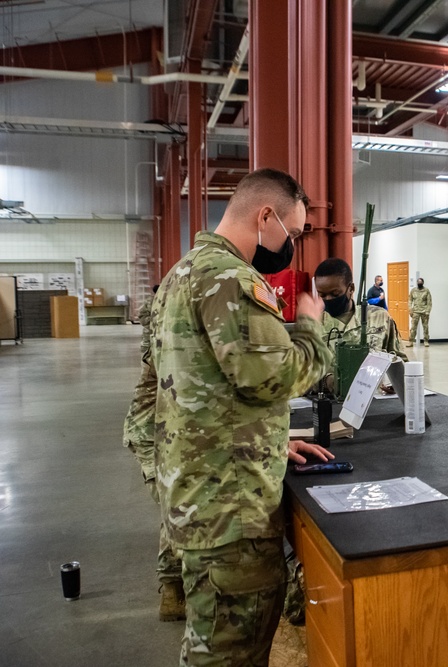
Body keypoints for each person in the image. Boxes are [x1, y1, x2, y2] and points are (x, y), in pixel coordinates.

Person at [149, 168, 334, 666]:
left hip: (202, 492)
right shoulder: (232, 279)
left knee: (213, 642)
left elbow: (202, 388)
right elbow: (274, 378)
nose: (291, 244)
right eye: (292, 234)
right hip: (231, 513)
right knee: (230, 652)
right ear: (266, 216)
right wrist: (313, 329)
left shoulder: (182, 274)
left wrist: (271, 441)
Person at [122, 284, 185, 622]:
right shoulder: (167, 342)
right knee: (173, 505)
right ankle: (172, 589)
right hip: (151, 433)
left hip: (169, 428)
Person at [314, 257, 407, 385]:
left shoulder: (379, 318)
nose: (328, 299)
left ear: (351, 289)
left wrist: (395, 384)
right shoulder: (314, 325)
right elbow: (301, 377)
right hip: (331, 401)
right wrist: (328, 381)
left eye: (335, 294)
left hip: (375, 399)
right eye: (322, 295)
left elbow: (400, 361)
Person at [407, 277, 432, 347]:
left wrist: (428, 311)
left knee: (425, 327)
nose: (419, 283)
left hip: (424, 312)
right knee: (413, 327)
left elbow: (429, 302)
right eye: (418, 282)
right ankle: (411, 341)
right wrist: (410, 310)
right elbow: (410, 300)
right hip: (415, 311)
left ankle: (426, 341)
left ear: (423, 283)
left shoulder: (426, 291)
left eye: (420, 282)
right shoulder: (413, 290)